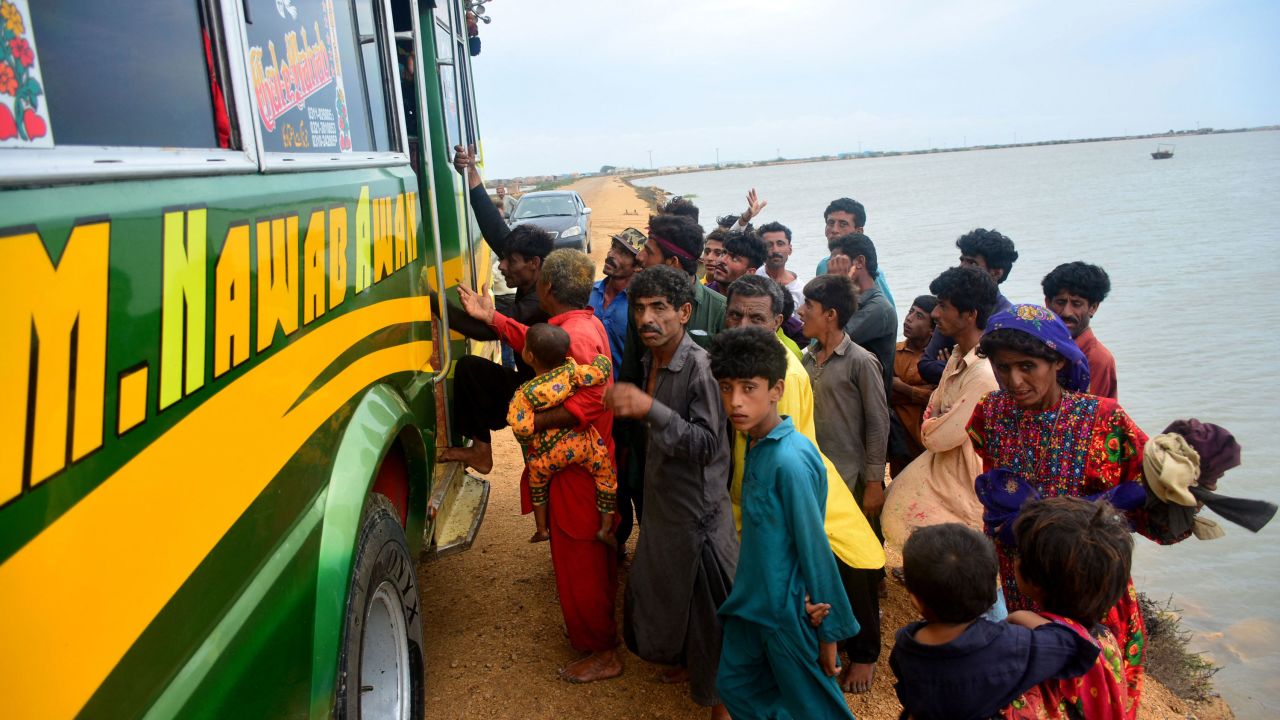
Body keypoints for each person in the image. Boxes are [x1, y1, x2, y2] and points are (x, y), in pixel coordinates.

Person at [967, 304, 1173, 715]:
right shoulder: (990, 414)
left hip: (1090, 589)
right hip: (1021, 581)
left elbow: (1158, 492)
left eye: (1028, 366)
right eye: (1003, 368)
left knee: (1094, 689)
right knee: (1038, 693)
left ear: (1058, 360)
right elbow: (995, 488)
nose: (1015, 381)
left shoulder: (1104, 421)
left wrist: (1180, 483)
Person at [456, 249, 622, 683]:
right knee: (587, 553)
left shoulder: (578, 336)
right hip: (588, 463)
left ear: (546, 289)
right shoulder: (580, 325)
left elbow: (586, 399)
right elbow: (536, 346)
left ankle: (603, 652)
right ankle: (595, 633)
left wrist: (531, 423)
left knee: (580, 556)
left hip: (575, 471)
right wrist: (493, 318)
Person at [723, 275, 886, 694]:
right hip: (784, 487)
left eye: (755, 318)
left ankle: (862, 653)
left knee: (844, 565)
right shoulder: (749, 362)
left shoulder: (786, 375)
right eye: (735, 315)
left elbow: (776, 446)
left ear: (777, 320)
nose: (742, 326)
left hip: (800, 489)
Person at [605, 265, 737, 718]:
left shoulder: (700, 368)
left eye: (659, 307)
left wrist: (650, 409)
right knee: (669, 597)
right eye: (640, 308)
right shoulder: (649, 359)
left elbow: (706, 444)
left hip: (698, 519)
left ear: (684, 311)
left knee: (711, 618)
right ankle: (687, 665)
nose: (647, 318)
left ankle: (722, 707)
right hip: (665, 510)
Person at [709, 327, 859, 720]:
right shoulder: (755, 442)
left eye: (748, 388)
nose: (735, 402)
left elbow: (814, 546)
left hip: (787, 610)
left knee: (819, 709)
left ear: (776, 390)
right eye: (726, 388)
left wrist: (829, 634)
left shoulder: (789, 460)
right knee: (735, 685)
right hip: (751, 602)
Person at [889, 523, 1098, 720]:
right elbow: (1073, 646)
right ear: (992, 594)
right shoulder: (1013, 646)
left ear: (916, 600)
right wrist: (1024, 617)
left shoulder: (905, 647)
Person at [614, 212, 726, 554]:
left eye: (649, 250)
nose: (641, 257)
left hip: (697, 469)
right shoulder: (642, 314)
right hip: (649, 450)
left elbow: (714, 428)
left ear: (685, 313)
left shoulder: (719, 313)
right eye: (642, 310)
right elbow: (633, 373)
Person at [881, 269, 1000, 547]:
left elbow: (937, 437)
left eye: (943, 306)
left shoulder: (982, 374)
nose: (935, 313)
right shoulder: (957, 356)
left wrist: (935, 421)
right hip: (944, 471)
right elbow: (933, 408)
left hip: (964, 481)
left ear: (969, 315)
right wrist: (937, 419)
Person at [1004, 497, 1138, 718]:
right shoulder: (1106, 641)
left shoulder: (1025, 650)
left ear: (1036, 581)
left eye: (1019, 552)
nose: (1015, 559)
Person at [438, 225, 553, 473]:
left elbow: (487, 331)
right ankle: (480, 451)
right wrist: (477, 187)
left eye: (510, 261)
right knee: (471, 369)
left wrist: (432, 300)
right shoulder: (530, 280)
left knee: (543, 472)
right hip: (529, 383)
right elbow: (498, 232)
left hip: (548, 396)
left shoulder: (541, 298)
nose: (501, 266)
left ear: (534, 263)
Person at [508, 323, 616, 547]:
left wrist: (531, 440)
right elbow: (600, 373)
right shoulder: (571, 372)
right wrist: (602, 359)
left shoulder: (525, 394)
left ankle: (541, 529)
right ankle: (606, 528)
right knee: (605, 475)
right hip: (582, 443)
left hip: (548, 454)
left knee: (536, 481)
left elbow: (522, 429)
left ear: (528, 356)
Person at [919, 228, 1018, 384]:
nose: (963, 267)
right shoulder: (951, 309)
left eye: (972, 263)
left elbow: (999, 375)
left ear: (997, 273)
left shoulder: (1009, 319)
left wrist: (953, 365)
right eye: (962, 260)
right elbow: (925, 365)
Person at [825, 232, 896, 405]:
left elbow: (832, 339)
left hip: (866, 407)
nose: (832, 269)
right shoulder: (851, 302)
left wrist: (838, 285)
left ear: (859, 262)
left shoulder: (879, 308)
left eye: (839, 262)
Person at [1042, 261, 1118, 399]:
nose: (1066, 312)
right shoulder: (1038, 345)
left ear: (1093, 307)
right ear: (1047, 303)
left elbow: (1088, 414)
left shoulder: (1097, 359)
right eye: (1060, 302)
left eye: (1076, 304)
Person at [889, 295, 938, 476]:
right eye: (911, 311)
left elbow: (937, 397)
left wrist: (902, 387)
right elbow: (885, 394)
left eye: (919, 316)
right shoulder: (893, 351)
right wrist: (920, 393)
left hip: (926, 444)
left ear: (933, 330)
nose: (909, 318)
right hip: (899, 443)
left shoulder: (938, 359)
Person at [589, 228, 645, 377]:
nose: (611, 255)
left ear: (638, 266)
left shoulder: (640, 306)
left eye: (623, 253)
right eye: (613, 247)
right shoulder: (589, 293)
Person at [756, 221, 804, 311]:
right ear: (761, 250)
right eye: (769, 245)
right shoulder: (753, 276)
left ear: (790, 249)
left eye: (780, 244)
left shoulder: (800, 289)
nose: (775, 250)